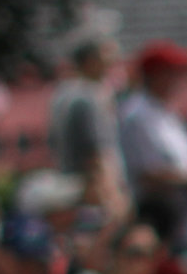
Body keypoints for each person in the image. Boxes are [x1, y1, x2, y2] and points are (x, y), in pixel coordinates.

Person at [119, 42, 187, 245]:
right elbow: (148, 174)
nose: (181, 80)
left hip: (184, 217)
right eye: (174, 73)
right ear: (156, 75)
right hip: (156, 217)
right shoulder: (137, 116)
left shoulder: (166, 111)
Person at [43, 36, 128, 223]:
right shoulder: (89, 97)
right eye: (106, 53)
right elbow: (98, 152)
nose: (113, 59)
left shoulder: (62, 93)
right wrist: (113, 196)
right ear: (90, 60)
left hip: (68, 186)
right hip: (92, 193)